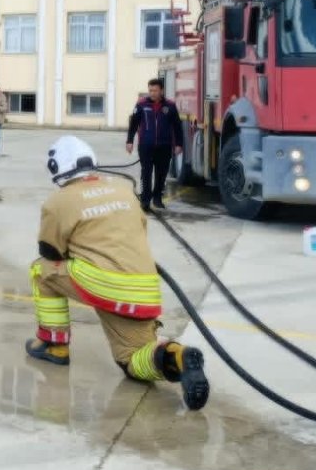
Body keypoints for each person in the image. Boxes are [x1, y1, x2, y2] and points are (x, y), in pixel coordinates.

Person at [27, 136, 209, 411]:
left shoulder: (58, 201)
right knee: (132, 360)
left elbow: (50, 252)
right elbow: (140, 231)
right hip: (143, 287)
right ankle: (175, 356)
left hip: (102, 282)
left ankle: (54, 346)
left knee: (41, 271)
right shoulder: (124, 190)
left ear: (56, 167)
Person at [126, 78, 185, 211]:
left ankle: (157, 199)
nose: (152, 93)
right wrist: (129, 141)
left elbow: (177, 126)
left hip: (164, 146)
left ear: (161, 90)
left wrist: (179, 144)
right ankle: (145, 200)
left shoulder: (170, 106)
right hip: (146, 146)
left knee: (161, 174)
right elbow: (133, 123)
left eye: (155, 90)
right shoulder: (141, 104)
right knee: (146, 173)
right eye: (150, 90)